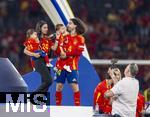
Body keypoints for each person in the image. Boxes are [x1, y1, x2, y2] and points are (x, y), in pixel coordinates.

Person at [55, 18, 87, 106]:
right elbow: (57, 50)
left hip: (72, 67)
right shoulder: (65, 37)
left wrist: (66, 54)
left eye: (70, 23)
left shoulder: (80, 38)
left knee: (74, 86)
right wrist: (59, 52)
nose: (68, 25)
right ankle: (58, 107)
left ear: (75, 26)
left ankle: (77, 108)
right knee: (59, 86)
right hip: (60, 66)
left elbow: (78, 52)